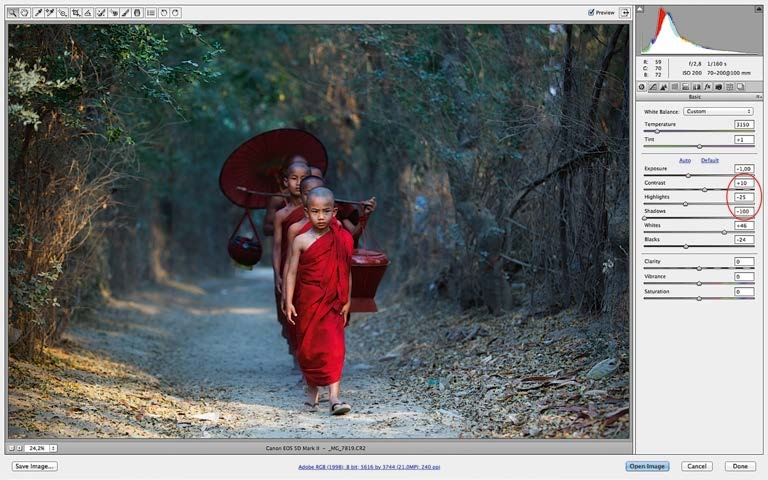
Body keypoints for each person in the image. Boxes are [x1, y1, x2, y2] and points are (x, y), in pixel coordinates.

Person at [284, 187, 354, 415]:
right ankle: (311, 398)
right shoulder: (300, 240)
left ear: (334, 212)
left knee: (334, 348)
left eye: (326, 211)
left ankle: (334, 397)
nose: (321, 217)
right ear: (306, 211)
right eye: (315, 212)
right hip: (308, 302)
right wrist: (288, 299)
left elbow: (346, 270)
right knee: (309, 349)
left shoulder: (342, 238)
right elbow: (292, 272)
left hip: (333, 302)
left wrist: (348, 300)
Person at [272, 162, 310, 356]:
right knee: (288, 311)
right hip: (288, 270)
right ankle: (296, 351)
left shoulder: (316, 212)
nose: (298, 183)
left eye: (303, 179)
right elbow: (278, 248)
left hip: (308, 269)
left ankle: (306, 354)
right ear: (286, 181)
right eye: (294, 178)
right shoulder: (281, 214)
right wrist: (277, 274)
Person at [263, 155, 310, 237]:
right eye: (295, 166)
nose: (299, 168)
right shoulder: (278, 199)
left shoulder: (314, 198)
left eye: (303, 166)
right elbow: (267, 228)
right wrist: (284, 227)